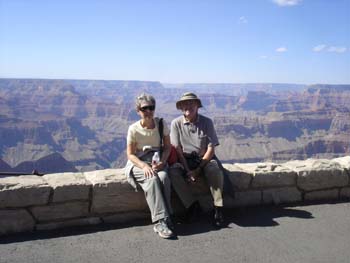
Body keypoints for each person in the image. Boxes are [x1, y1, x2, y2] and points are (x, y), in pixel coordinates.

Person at [169, 92, 224, 227]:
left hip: (203, 159)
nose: (188, 106)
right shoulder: (176, 123)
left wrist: (198, 169)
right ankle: (193, 206)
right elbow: (178, 150)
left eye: (191, 103)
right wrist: (188, 171)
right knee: (172, 173)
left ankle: (218, 207)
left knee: (214, 169)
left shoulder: (207, 122)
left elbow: (211, 149)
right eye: (184, 104)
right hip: (184, 160)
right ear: (181, 107)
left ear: (197, 106)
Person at [124, 93, 174, 239]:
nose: (148, 111)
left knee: (164, 177)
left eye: (151, 108)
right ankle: (160, 221)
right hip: (138, 162)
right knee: (151, 180)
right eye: (145, 108)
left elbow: (167, 147)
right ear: (138, 110)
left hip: (157, 161)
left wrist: (163, 162)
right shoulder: (133, 129)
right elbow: (130, 154)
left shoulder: (160, 124)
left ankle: (167, 216)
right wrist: (143, 167)